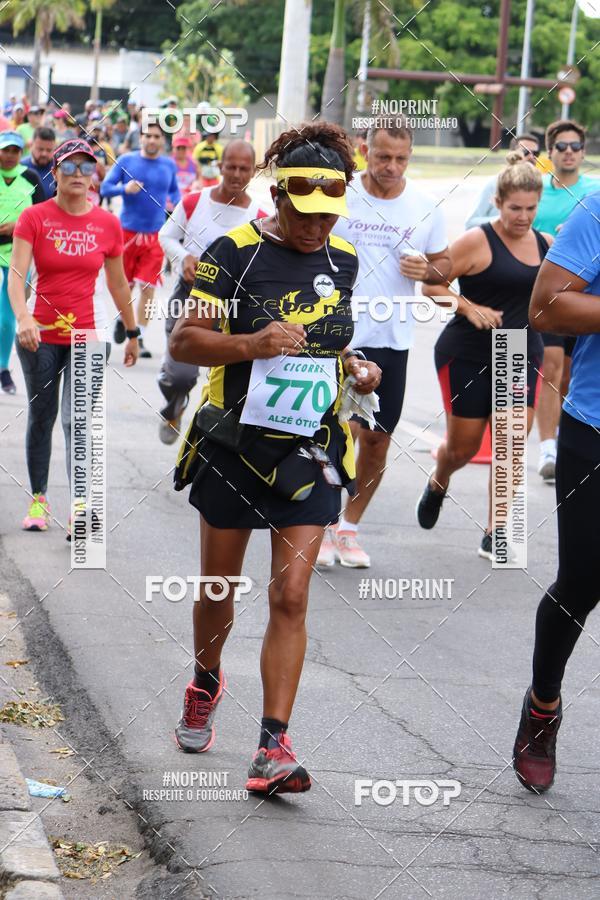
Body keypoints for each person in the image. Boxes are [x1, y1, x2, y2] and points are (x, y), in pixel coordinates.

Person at [169, 123, 381, 794]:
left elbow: (329, 340)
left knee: (291, 593)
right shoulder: (230, 254)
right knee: (218, 590)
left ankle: (273, 746)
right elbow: (184, 339)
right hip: (234, 445)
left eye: (328, 214)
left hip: (312, 448)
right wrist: (251, 344)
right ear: (278, 197)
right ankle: (205, 679)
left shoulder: (344, 258)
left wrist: (355, 366)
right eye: (304, 214)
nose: (317, 227)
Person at [318, 122, 450, 568]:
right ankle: (318, 524)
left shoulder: (424, 207)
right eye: (382, 157)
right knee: (336, 434)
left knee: (376, 441)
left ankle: (348, 529)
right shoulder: (342, 195)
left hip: (393, 340)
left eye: (401, 159)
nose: (391, 167)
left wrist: (429, 271)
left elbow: (445, 264)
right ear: (365, 151)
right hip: (336, 336)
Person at [415, 153, 552, 560]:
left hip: (518, 351)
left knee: (510, 444)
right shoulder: (478, 240)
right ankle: (440, 479)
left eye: (530, 209)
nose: (523, 217)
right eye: (515, 208)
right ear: (497, 202)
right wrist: (467, 306)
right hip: (469, 352)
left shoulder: (546, 244)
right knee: (463, 448)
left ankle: (496, 530)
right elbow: (431, 285)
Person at [512, 189, 600, 794]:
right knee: (583, 583)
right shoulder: (598, 206)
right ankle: (543, 706)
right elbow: (546, 308)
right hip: (595, 428)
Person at [8, 139, 139, 534]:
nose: (79, 174)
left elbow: (117, 285)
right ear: (55, 173)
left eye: (87, 167)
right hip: (40, 336)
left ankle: (80, 506)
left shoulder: (107, 224)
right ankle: (39, 499)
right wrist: (24, 317)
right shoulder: (34, 218)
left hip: (86, 336)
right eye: (70, 167)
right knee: (42, 417)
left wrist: (132, 332)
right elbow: (17, 275)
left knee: (79, 423)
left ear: (95, 176)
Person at [157, 139, 268, 443]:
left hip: (232, 307)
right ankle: (174, 398)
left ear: (253, 172)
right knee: (181, 375)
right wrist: (184, 259)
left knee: (228, 382)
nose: (236, 174)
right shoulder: (195, 202)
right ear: (219, 167)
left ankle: (214, 443)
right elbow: (166, 236)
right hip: (190, 298)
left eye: (243, 169)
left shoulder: (260, 215)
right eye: (230, 167)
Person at [532, 119, 598, 484]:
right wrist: (539, 237)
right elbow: (488, 220)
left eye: (575, 146)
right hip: (528, 291)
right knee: (551, 365)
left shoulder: (592, 187)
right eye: (562, 146)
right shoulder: (537, 190)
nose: (569, 152)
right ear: (550, 152)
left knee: (568, 373)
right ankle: (547, 447)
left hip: (586, 302)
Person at [100, 122, 180, 357]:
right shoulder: (126, 161)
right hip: (126, 234)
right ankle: (124, 322)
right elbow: (105, 188)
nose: (152, 140)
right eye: (148, 135)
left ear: (163, 141)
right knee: (125, 285)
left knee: (148, 286)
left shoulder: (168, 165)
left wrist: (176, 203)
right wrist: (125, 188)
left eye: (156, 136)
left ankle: (141, 337)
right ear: (141, 138)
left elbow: (175, 191)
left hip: (156, 235)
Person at [0, 131, 45, 395]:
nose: (9, 155)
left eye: (15, 151)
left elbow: (42, 217)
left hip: (16, 254)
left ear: (21, 153)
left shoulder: (30, 178)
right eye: (5, 150)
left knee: (7, 319)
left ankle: (3, 369)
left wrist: (18, 225)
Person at [464, 133, 541, 229]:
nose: (531, 157)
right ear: (512, 153)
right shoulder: (494, 184)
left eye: (535, 154)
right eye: (526, 152)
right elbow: (470, 223)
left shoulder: (540, 186)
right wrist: (505, 219)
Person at [22, 127, 56, 199]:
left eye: (49, 150)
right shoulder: (21, 167)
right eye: (40, 149)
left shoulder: (59, 169)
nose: (44, 154)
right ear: (31, 146)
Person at [170, 136, 199, 203]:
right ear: (173, 149)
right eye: (178, 148)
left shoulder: (194, 163)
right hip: (171, 203)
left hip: (189, 200)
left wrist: (196, 184)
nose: (181, 151)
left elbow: (199, 179)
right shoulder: (169, 164)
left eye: (183, 148)